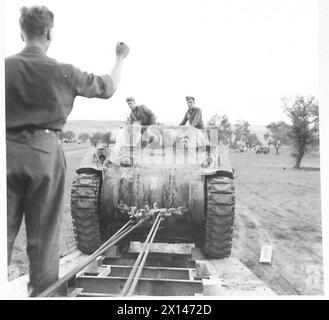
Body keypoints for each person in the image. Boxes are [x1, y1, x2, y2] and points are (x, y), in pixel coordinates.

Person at [5, 5, 129, 296]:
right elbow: (108, 87)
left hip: (5, 154)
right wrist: (119, 57)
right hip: (46, 156)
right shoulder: (65, 73)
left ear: (21, 31)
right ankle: (44, 293)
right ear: (49, 33)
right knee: (44, 237)